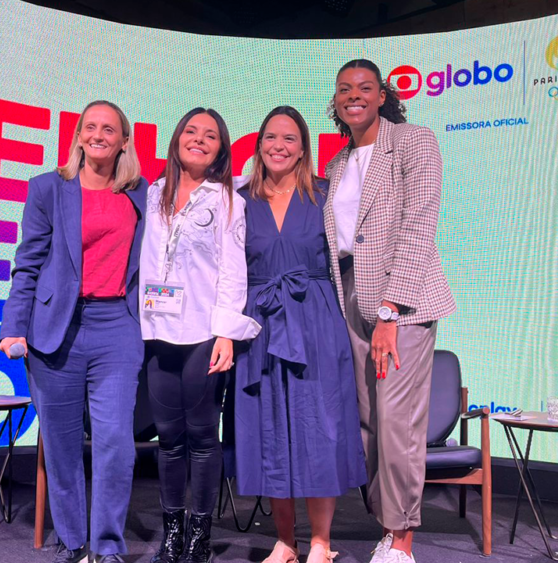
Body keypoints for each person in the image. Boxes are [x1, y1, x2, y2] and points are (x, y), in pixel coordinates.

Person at [0, 100, 147, 563]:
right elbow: (27, 265)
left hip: (117, 328)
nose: (99, 134)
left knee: (115, 444)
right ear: (79, 134)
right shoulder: (48, 189)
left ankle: (107, 548)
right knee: (61, 447)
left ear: (125, 139)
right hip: (54, 331)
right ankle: (74, 543)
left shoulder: (141, 192)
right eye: (90, 126)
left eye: (110, 128)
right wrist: (13, 326)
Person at [323, 59, 457, 563]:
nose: (353, 96)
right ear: (335, 101)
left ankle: (402, 542)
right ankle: (387, 524)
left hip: (402, 299)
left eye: (364, 88)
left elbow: (419, 226)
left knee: (397, 419)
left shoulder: (413, 141)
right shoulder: (336, 166)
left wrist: (388, 312)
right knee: (368, 422)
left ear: (382, 95)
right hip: (350, 294)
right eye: (343, 89)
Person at [234, 106, 367, 563]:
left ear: (304, 148)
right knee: (271, 430)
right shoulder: (239, 200)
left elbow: (355, 259)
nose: (279, 146)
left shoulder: (326, 197)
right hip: (261, 326)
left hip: (316, 324)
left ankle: (321, 543)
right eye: (271, 137)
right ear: (259, 145)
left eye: (290, 139)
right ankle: (286, 541)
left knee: (319, 430)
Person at [140, 107, 260, 563]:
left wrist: (227, 333)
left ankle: (199, 538)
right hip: (157, 330)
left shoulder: (228, 199)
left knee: (202, 437)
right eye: (191, 131)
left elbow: (233, 271)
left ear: (220, 150)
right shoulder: (152, 195)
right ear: (175, 140)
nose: (198, 139)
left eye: (210, 136)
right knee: (168, 438)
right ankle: (172, 534)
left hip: (204, 333)